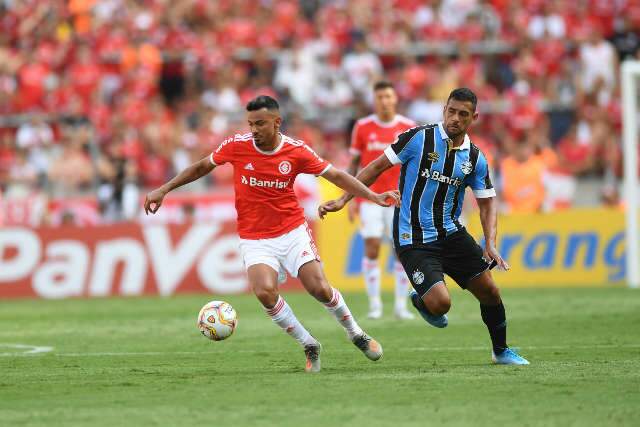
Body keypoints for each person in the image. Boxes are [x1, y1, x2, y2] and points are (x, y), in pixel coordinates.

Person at [144, 95, 398, 372]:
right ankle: (309, 344)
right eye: (250, 123)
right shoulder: (236, 146)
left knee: (320, 288)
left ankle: (356, 333)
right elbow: (201, 167)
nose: (254, 130)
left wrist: (372, 196)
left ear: (277, 123)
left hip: (292, 231)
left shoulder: (296, 151)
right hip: (254, 237)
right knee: (264, 291)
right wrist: (164, 189)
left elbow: (335, 175)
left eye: (260, 124)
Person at [319, 88, 529, 365]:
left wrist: (489, 243)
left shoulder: (475, 158)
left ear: (474, 117)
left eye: (463, 114)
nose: (455, 118)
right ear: (444, 109)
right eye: (451, 111)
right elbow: (376, 166)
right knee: (441, 304)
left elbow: (487, 203)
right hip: (412, 236)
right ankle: (423, 299)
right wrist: (344, 199)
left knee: (490, 291)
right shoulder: (418, 138)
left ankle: (501, 351)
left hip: (452, 233)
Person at [347, 80, 416, 320]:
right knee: (372, 247)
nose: (384, 101)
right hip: (370, 198)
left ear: (395, 98)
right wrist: (351, 198)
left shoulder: (408, 126)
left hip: (399, 199)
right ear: (374, 100)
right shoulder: (363, 127)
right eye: (380, 97)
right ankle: (375, 304)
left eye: (388, 96)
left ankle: (400, 305)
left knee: (401, 251)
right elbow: (354, 163)